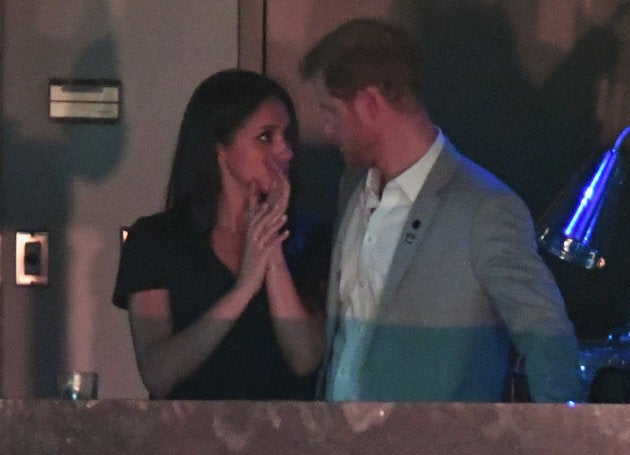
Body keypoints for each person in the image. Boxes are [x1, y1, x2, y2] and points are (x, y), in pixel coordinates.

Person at [299, 18, 586, 402]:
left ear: (369, 104)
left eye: (331, 112)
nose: (328, 129)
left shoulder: (486, 209)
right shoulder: (352, 186)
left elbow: (547, 338)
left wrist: (563, 441)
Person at [113, 70, 325, 400]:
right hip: (189, 438)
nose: (286, 151)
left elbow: (305, 360)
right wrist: (244, 287)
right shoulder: (155, 240)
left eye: (288, 135)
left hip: (287, 438)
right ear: (220, 148)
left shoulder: (310, 236)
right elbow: (158, 373)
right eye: (266, 137)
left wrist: (273, 251)